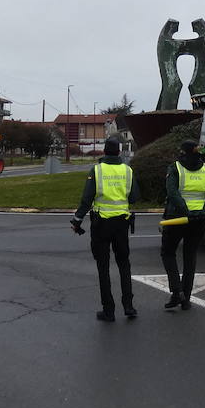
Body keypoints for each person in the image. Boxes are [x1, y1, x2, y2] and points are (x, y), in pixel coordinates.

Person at [71, 136, 140, 321]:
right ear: (119, 151)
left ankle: (108, 310)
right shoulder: (128, 170)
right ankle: (129, 306)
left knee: (103, 267)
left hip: (101, 224)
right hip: (122, 223)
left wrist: (77, 220)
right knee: (124, 263)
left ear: (104, 151)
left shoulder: (97, 170)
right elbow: (134, 198)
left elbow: (87, 199)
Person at [160, 140, 205, 311]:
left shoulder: (175, 168)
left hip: (177, 218)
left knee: (168, 252)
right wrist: (203, 212)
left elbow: (172, 192)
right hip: (199, 220)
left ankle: (177, 291)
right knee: (190, 257)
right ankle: (186, 299)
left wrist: (185, 211)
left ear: (183, 152)